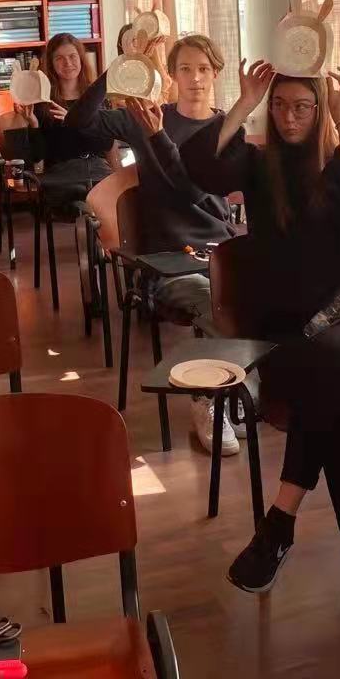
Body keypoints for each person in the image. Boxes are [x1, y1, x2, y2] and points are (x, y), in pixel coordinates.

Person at [181, 58, 340, 640]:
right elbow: (200, 165)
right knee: (335, 404)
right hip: (286, 340)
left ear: (319, 110)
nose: (290, 117)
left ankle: (280, 522)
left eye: (303, 107)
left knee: (328, 374)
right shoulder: (258, 165)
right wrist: (244, 103)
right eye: (280, 107)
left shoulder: (335, 165)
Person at [65, 34, 240, 454]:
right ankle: (207, 399)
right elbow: (79, 121)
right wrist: (121, 65)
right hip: (168, 263)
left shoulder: (227, 129)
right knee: (213, 302)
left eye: (203, 69)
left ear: (216, 74)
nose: (195, 79)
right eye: (186, 69)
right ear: (172, 75)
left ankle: (235, 386)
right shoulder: (146, 119)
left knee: (266, 294)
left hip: (222, 254)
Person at [2, 33, 117, 204]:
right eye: (59, 58)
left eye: (72, 56)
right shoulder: (42, 102)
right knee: (78, 199)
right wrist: (33, 124)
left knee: (114, 198)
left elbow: (105, 144)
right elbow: (38, 157)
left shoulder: (97, 98)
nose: (68, 63)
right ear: (51, 64)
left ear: (81, 59)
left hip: (97, 171)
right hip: (62, 176)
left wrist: (77, 122)